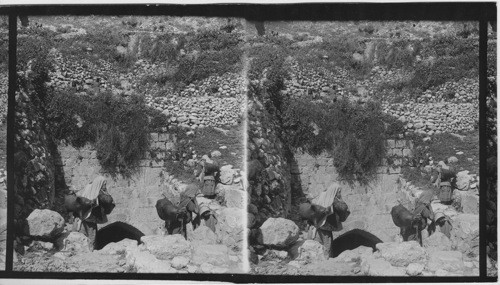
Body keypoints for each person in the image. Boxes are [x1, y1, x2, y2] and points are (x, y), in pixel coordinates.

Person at [309, 182, 350, 257]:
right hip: (326, 226)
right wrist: (341, 199)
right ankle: (326, 260)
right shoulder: (334, 200)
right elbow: (344, 208)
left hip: (319, 224)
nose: (340, 194)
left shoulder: (323, 195)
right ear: (335, 191)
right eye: (339, 192)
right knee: (327, 246)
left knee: (319, 244)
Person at [74, 175, 114, 250]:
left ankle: (83, 251)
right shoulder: (98, 192)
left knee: (82, 235)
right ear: (100, 184)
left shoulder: (89, 187)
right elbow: (109, 201)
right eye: (104, 184)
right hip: (90, 218)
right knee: (91, 236)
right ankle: (91, 251)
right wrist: (106, 192)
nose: (105, 186)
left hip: (83, 216)